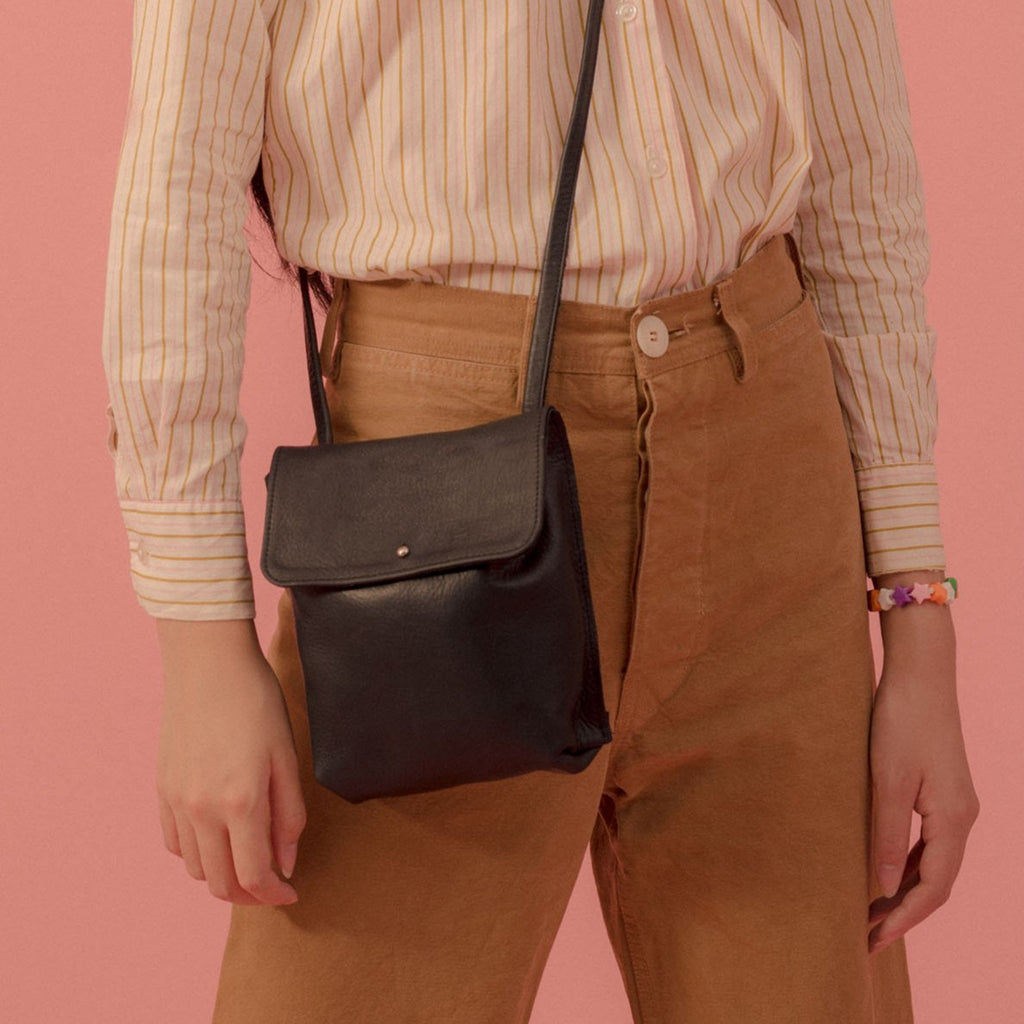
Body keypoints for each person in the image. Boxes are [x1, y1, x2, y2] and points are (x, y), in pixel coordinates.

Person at [100, 1, 979, 1021]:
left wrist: (916, 617)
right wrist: (201, 639)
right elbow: (176, 188)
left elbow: (858, 172)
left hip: (766, 451)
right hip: (438, 482)